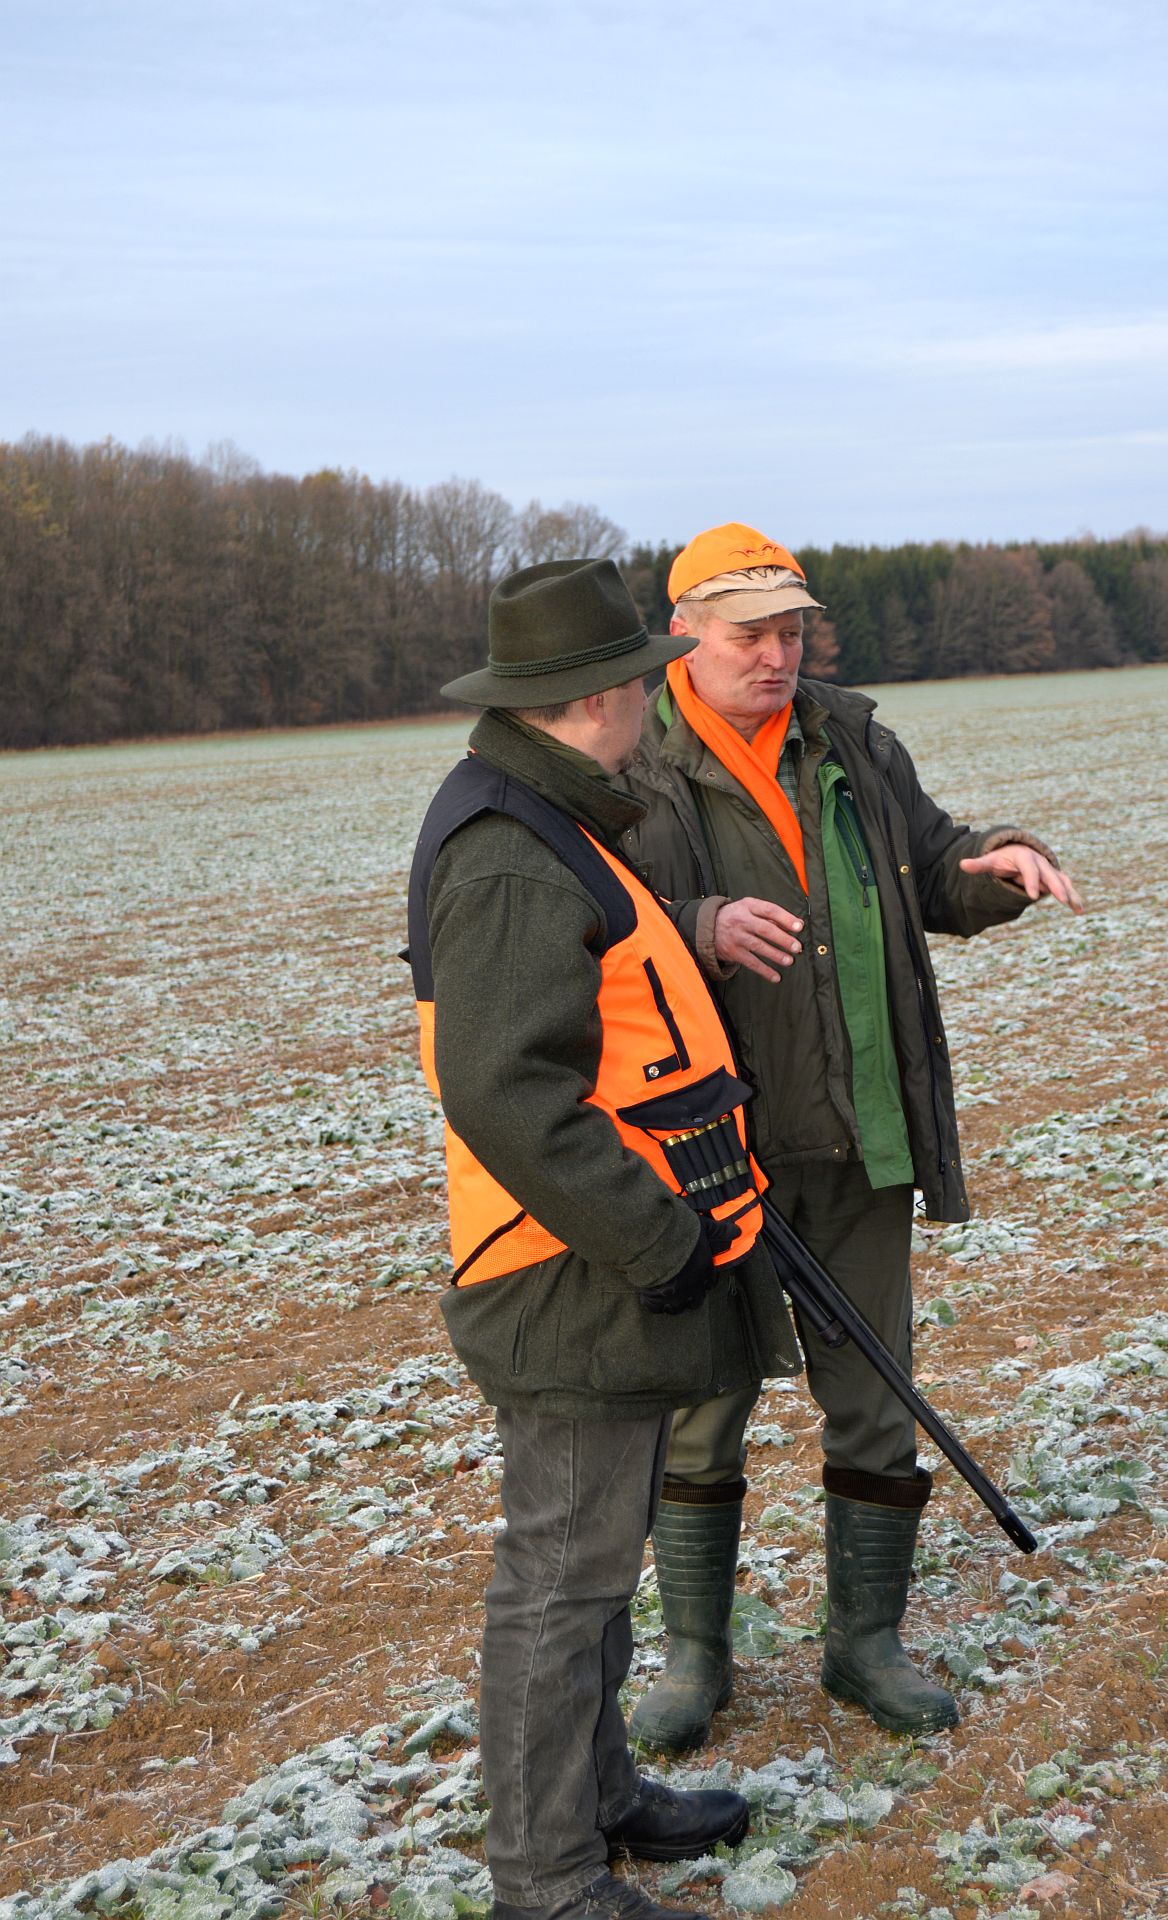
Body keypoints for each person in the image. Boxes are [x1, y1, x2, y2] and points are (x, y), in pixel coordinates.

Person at [620, 523, 1083, 1750]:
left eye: (790, 629)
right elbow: (582, 921)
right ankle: (693, 1657)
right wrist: (697, 923)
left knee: (874, 1403)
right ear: (683, 633)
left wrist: (996, 863)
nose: (776, 653)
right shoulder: (629, 756)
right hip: (700, 1152)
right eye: (748, 633)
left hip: (857, 1131)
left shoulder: (849, 737)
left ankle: (864, 1644)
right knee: (699, 1408)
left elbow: (930, 863)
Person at [406, 556, 801, 1920]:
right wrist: (657, 1240)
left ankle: (600, 1798)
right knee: (559, 1587)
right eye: (640, 677)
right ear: (593, 700)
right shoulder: (510, 854)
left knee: (593, 1571)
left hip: (593, 1262)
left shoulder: (547, 815)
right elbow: (505, 1093)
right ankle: (547, 1880)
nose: (651, 696)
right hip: (565, 1273)